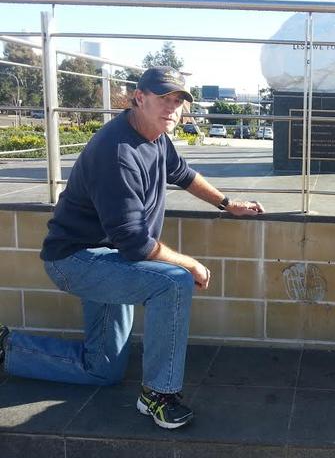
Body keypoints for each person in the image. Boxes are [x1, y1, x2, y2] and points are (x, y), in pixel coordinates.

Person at [0, 66, 264, 429]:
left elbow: (183, 174)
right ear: (138, 98)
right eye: (163, 98)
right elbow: (135, 242)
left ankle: (7, 350)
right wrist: (188, 263)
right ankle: (158, 395)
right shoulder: (117, 151)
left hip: (110, 258)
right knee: (172, 283)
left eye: (177, 101)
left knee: (102, 370)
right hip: (78, 260)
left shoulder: (155, 136)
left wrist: (226, 202)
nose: (172, 108)